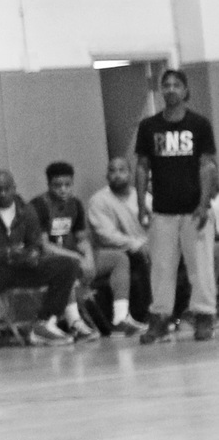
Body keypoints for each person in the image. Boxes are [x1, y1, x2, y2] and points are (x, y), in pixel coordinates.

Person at [132, 69, 216, 341]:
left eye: (176, 85)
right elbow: (142, 166)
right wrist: (141, 205)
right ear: (161, 91)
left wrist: (204, 204)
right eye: (165, 85)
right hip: (162, 210)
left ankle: (204, 316)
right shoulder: (149, 127)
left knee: (200, 268)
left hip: (194, 210)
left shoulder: (199, 125)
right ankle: (160, 318)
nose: (170, 89)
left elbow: (207, 166)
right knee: (161, 268)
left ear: (185, 90)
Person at [0, 171, 81, 352]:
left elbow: (36, 243)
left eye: (6, 189)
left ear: (14, 189)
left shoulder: (26, 210)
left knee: (67, 264)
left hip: (23, 268)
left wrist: (32, 254)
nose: (2, 194)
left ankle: (44, 324)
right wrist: (6, 253)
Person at [86, 156, 151, 334]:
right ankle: (145, 316)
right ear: (107, 175)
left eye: (122, 170)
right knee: (139, 258)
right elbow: (106, 235)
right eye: (112, 171)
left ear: (130, 174)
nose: (117, 175)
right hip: (116, 250)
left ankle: (178, 314)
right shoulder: (99, 200)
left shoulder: (143, 197)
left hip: (145, 247)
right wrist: (137, 245)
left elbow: (157, 224)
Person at [33, 163, 98, 340]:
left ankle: (120, 318)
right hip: (43, 261)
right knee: (66, 266)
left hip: (71, 256)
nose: (63, 190)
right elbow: (44, 246)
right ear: (48, 185)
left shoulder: (75, 204)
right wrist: (77, 257)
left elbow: (82, 239)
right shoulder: (39, 205)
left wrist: (89, 259)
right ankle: (74, 322)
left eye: (67, 185)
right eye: (58, 185)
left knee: (118, 259)